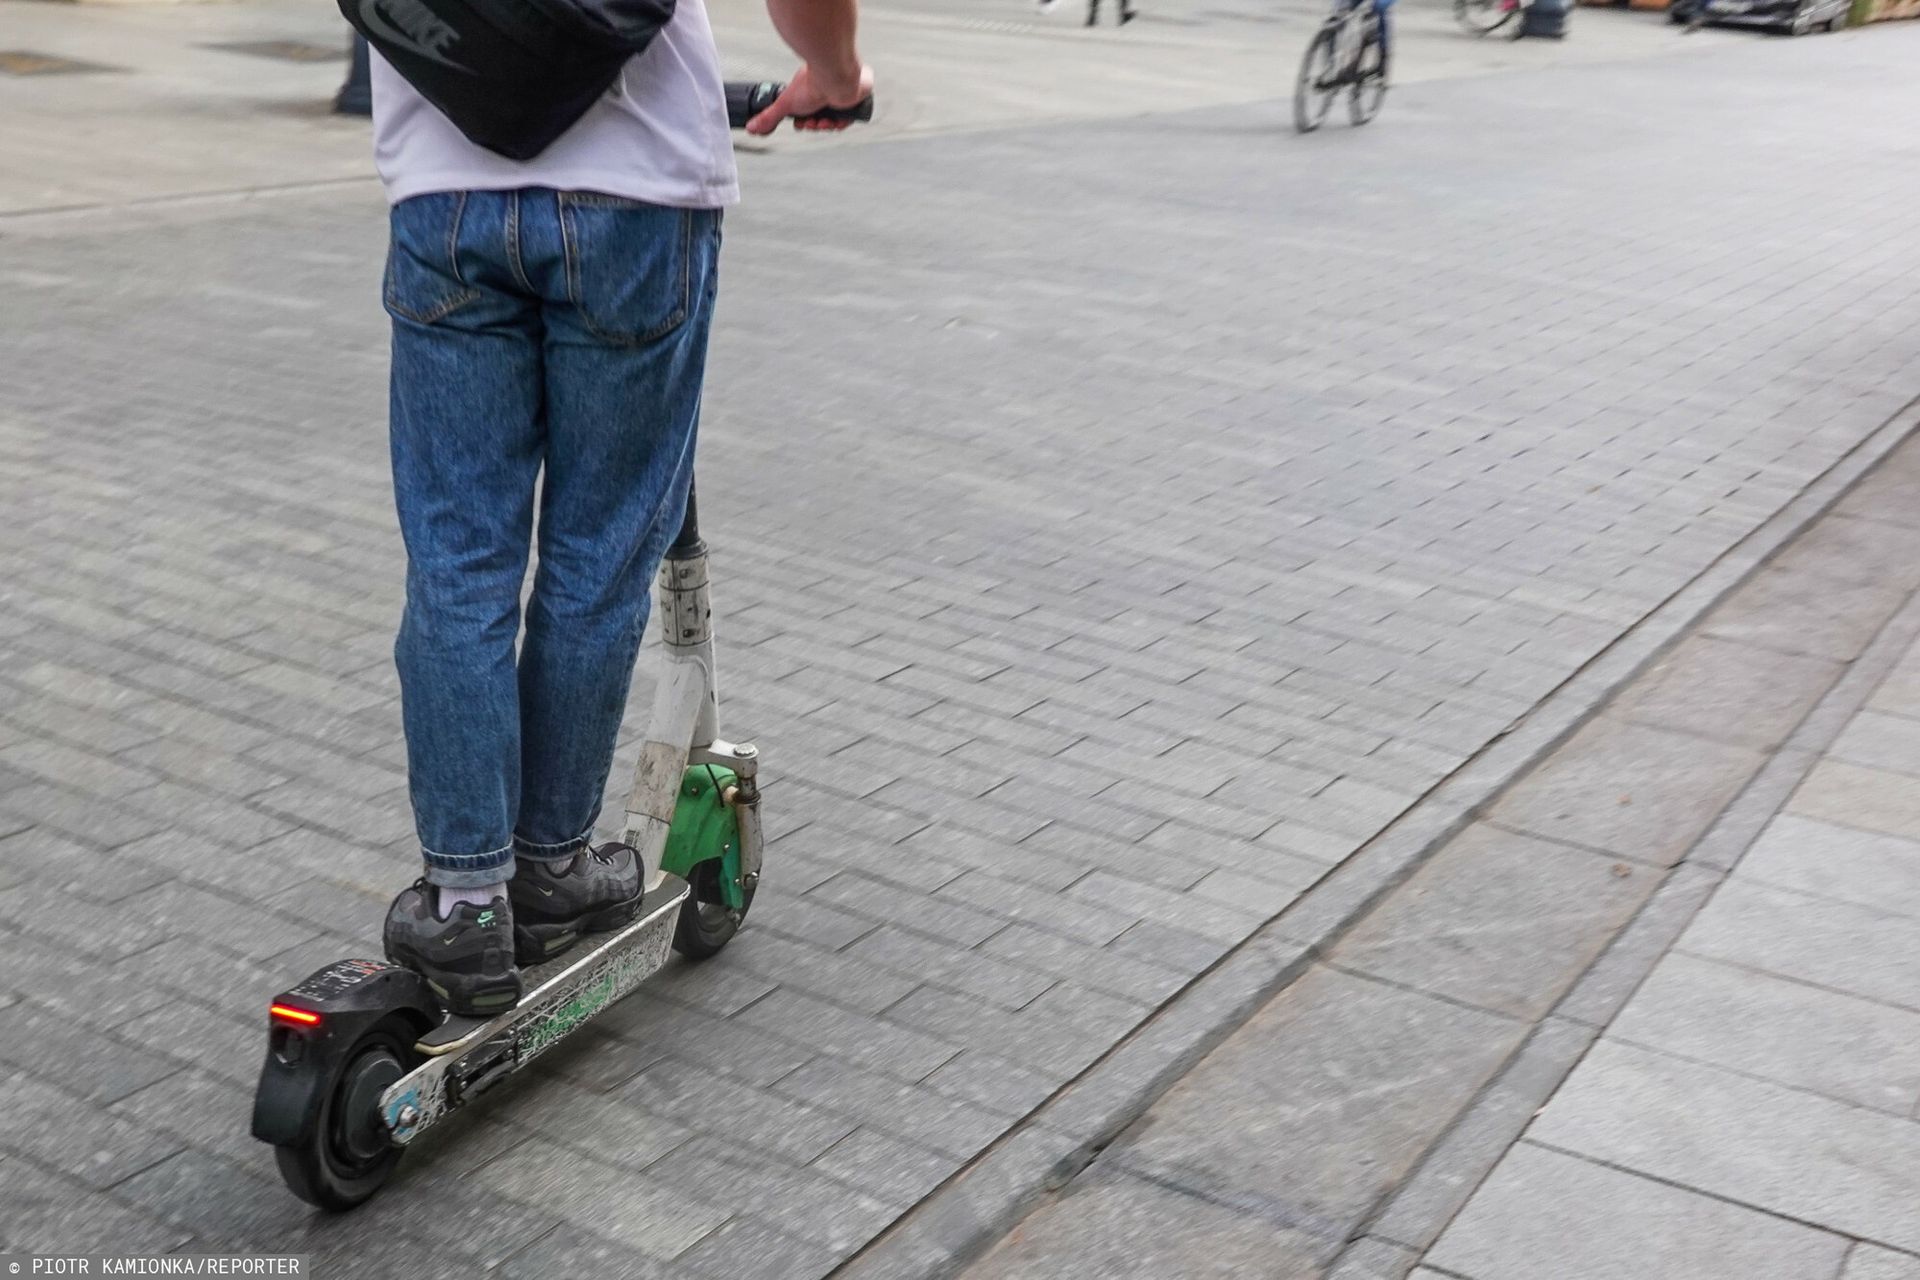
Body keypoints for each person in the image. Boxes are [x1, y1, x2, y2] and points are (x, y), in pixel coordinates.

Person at [369, 1, 873, 1016]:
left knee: (457, 560)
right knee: (596, 558)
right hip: (637, 200)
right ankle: (550, 865)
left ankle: (465, 899)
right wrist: (834, 75)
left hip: (444, 191)